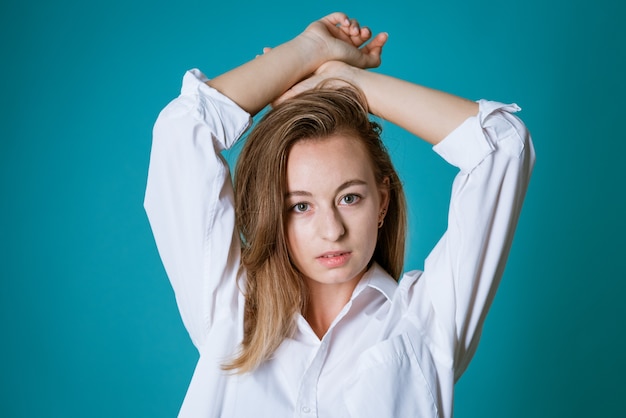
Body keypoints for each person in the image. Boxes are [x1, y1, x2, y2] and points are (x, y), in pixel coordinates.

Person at [144, 12, 535, 418]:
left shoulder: (425, 322)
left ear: (382, 201)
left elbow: (503, 146)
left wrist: (347, 83)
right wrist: (306, 52)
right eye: (300, 206)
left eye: (349, 198)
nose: (332, 231)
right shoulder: (229, 310)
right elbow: (181, 132)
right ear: (273, 215)